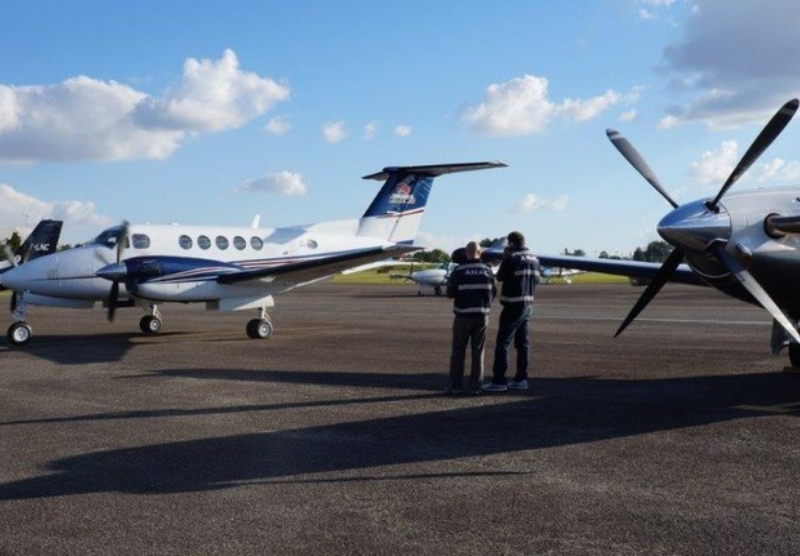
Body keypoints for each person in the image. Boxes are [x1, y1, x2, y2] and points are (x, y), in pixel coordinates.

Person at [483, 231, 540, 392]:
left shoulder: (512, 258)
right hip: (528, 305)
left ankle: (499, 381)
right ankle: (521, 379)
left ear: (512, 243)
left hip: (513, 305)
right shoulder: (535, 259)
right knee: (523, 344)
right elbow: (536, 280)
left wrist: (505, 257)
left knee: (503, 343)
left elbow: (500, 277)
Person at [444, 241, 497, 395]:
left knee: (458, 352)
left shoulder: (459, 270)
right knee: (478, 352)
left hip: (462, 316)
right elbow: (493, 292)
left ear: (466, 253)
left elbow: (449, 293)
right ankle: (476, 387)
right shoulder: (488, 271)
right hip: (482, 316)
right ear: (480, 253)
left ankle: (456, 386)